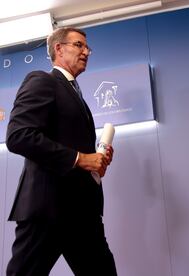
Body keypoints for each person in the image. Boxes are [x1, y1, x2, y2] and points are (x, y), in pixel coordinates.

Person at [5, 27, 117, 276]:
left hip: (82, 213)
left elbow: (76, 150)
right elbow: (18, 136)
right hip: (48, 210)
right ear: (58, 48)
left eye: (87, 47)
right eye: (79, 45)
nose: (86, 51)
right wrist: (79, 158)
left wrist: (96, 162)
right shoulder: (41, 80)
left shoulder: (77, 95)